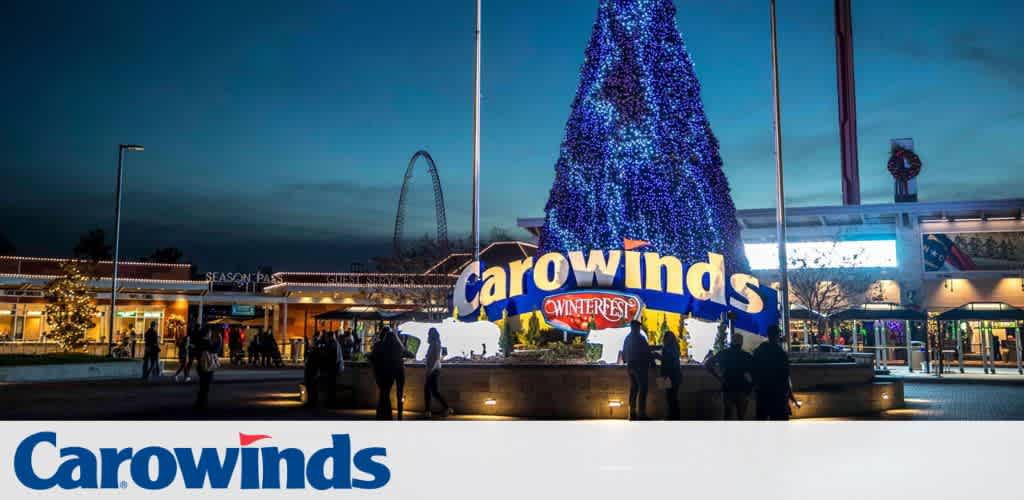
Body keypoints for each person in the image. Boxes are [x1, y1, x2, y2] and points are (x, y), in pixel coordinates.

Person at [706, 332, 754, 420]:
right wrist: (750, 386)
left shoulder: (724, 353)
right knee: (741, 417)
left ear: (731, 342)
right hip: (742, 388)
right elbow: (754, 371)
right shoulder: (745, 355)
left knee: (727, 415)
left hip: (727, 387)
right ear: (741, 343)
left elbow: (708, 364)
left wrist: (718, 377)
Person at [751, 325, 791, 421]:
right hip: (777, 392)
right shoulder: (780, 353)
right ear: (778, 336)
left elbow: (753, 369)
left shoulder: (759, 351)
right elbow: (785, 374)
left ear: (768, 335)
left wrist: (755, 384)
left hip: (762, 390)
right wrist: (787, 392)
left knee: (761, 418)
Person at [369, 326, 408, 420]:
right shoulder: (398, 345)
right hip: (399, 372)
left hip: (385, 373)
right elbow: (408, 354)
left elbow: (373, 357)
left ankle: (385, 416)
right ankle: (399, 416)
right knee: (398, 395)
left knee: (384, 394)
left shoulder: (380, 345)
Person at [622, 320, 652, 420]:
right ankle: (642, 413)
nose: (639, 329)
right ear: (637, 328)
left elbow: (624, 355)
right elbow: (647, 351)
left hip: (630, 367)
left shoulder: (627, 338)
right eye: (639, 327)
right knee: (643, 389)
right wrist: (652, 362)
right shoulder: (640, 338)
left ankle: (632, 413)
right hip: (640, 366)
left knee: (633, 389)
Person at [423, 328, 453, 418]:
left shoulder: (434, 344)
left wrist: (429, 371)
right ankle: (446, 408)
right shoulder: (436, 344)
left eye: (429, 334)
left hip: (433, 370)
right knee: (433, 391)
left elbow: (435, 359)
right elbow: (436, 358)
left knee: (428, 391)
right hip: (435, 370)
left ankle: (428, 411)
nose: (428, 335)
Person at [192, 326, 222, 411]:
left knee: (203, 386)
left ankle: (200, 403)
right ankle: (201, 404)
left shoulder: (199, 341)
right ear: (207, 333)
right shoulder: (205, 342)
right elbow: (215, 350)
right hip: (206, 366)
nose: (211, 334)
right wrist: (220, 339)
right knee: (205, 387)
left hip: (201, 365)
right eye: (210, 332)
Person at [660, 330, 682, 420]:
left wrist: (657, 357)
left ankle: (672, 416)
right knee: (673, 397)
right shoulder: (675, 347)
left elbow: (667, 361)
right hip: (675, 375)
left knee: (670, 397)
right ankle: (674, 416)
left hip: (669, 376)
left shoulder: (667, 348)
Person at [318, 330, 343, 407]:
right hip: (335, 367)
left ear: (330, 337)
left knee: (331, 386)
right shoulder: (335, 343)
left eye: (327, 337)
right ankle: (331, 401)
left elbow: (332, 357)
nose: (326, 338)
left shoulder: (333, 344)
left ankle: (331, 402)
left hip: (333, 368)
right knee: (331, 386)